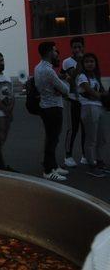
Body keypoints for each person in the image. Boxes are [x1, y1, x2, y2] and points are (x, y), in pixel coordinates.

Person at [34, 41, 70, 182]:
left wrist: (59, 88)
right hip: (53, 108)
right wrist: (64, 83)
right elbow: (65, 89)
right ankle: (48, 170)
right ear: (49, 52)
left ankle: (53, 166)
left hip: (47, 106)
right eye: (55, 51)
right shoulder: (48, 70)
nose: (57, 53)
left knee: (52, 138)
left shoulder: (39, 67)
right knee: (52, 139)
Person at [77, 53, 108, 178]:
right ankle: (91, 164)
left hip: (100, 108)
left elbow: (101, 91)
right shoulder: (82, 77)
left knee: (102, 138)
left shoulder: (96, 77)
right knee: (91, 138)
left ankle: (100, 161)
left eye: (92, 61)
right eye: (87, 62)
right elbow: (90, 91)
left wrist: (105, 96)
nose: (90, 64)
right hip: (88, 107)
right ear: (83, 64)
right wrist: (105, 97)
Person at [63, 36, 86, 167]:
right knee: (73, 129)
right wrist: (78, 62)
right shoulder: (67, 62)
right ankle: (68, 155)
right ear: (71, 48)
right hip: (73, 99)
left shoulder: (88, 59)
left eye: (79, 47)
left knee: (86, 129)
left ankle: (85, 155)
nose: (77, 49)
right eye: (74, 47)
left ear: (83, 47)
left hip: (85, 100)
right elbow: (73, 78)